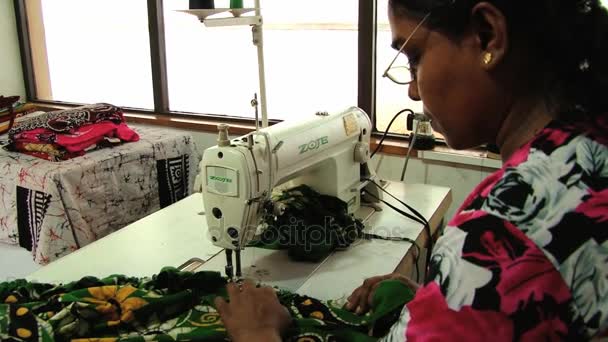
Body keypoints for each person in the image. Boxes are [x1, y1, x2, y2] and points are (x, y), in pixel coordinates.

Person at [214, 0, 608, 340]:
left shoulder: (503, 233)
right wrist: (440, 298)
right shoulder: (588, 150)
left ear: (489, 36)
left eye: (414, 55)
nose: (413, 91)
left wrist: (257, 334)